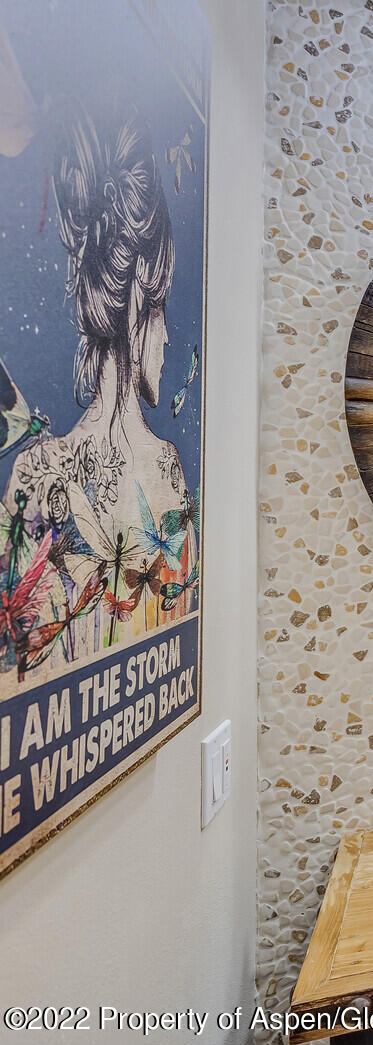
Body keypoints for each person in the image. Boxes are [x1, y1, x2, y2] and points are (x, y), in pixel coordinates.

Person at [2, 99, 197, 680]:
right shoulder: (165, 471)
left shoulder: (36, 471)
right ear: (142, 308)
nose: (167, 341)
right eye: (160, 311)